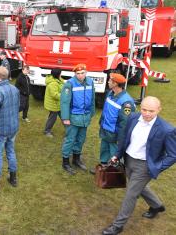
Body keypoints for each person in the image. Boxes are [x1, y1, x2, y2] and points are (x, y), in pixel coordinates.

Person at [102, 96, 176, 235]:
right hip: (128, 159)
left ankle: (118, 226)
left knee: (131, 194)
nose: (147, 114)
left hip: (145, 166)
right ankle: (157, 206)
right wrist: (117, 155)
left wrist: (156, 167)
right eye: (144, 109)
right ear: (140, 107)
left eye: (151, 111)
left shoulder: (167, 130)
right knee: (138, 187)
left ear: (159, 110)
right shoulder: (133, 118)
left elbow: (173, 155)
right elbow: (124, 138)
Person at [90, 73, 135, 174]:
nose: (108, 82)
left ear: (116, 84)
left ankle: (113, 171)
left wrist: (121, 137)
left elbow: (125, 123)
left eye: (110, 81)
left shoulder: (126, 102)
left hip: (114, 132)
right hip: (105, 128)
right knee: (104, 148)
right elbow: (106, 110)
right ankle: (103, 166)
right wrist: (101, 121)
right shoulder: (110, 93)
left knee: (114, 152)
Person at [60, 64, 95, 175]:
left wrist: (91, 113)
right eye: (78, 74)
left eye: (82, 73)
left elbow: (93, 98)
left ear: (86, 72)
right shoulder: (69, 84)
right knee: (70, 139)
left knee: (81, 139)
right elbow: (64, 102)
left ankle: (76, 159)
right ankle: (65, 161)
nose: (80, 76)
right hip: (73, 117)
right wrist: (65, 118)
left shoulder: (90, 82)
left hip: (85, 117)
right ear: (75, 74)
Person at [43, 68, 64, 137]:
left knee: (64, 116)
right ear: (57, 74)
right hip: (53, 105)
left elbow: (62, 86)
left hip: (58, 104)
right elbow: (55, 95)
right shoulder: (53, 83)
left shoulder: (58, 80)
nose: (61, 74)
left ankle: (70, 130)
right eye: (60, 73)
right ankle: (47, 131)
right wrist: (65, 95)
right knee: (53, 118)